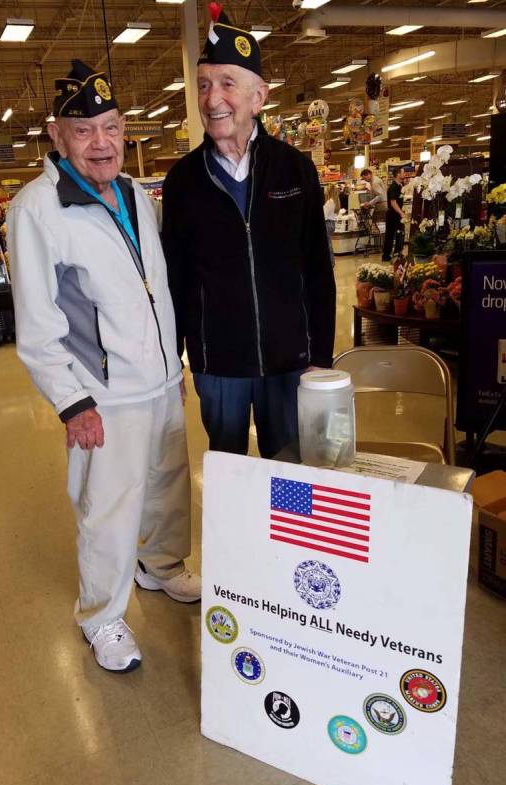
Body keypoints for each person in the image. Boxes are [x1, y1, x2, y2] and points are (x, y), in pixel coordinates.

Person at [7, 60, 200, 675]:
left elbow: (152, 288)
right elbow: (37, 324)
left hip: (162, 379)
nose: (101, 143)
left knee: (167, 489)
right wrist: (72, 401)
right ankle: (101, 617)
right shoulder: (37, 210)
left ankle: (162, 566)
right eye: (84, 130)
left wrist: (176, 365)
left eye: (112, 128)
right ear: (57, 136)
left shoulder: (137, 194)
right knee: (109, 507)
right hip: (104, 394)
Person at [162, 5, 336, 459]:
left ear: (259, 97)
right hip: (218, 366)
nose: (212, 98)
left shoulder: (294, 169)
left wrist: (321, 355)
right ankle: (238, 535)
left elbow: (319, 269)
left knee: (291, 475)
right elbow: (176, 281)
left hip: (290, 362)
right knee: (228, 475)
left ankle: (287, 535)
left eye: (226, 83)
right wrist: (173, 362)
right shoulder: (183, 181)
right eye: (203, 84)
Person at [382, 166, 407, 262]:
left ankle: (398, 253)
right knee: (390, 235)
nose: (405, 174)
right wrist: (401, 213)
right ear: (398, 174)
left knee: (400, 234)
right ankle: (386, 255)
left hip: (397, 214)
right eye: (403, 172)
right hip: (392, 214)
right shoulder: (393, 187)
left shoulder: (400, 185)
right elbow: (393, 202)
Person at [323, 184, 339, 269]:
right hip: (332, 223)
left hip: (327, 223)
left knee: (327, 244)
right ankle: (331, 261)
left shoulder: (329, 202)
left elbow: (324, 215)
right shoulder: (336, 201)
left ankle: (330, 262)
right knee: (329, 243)